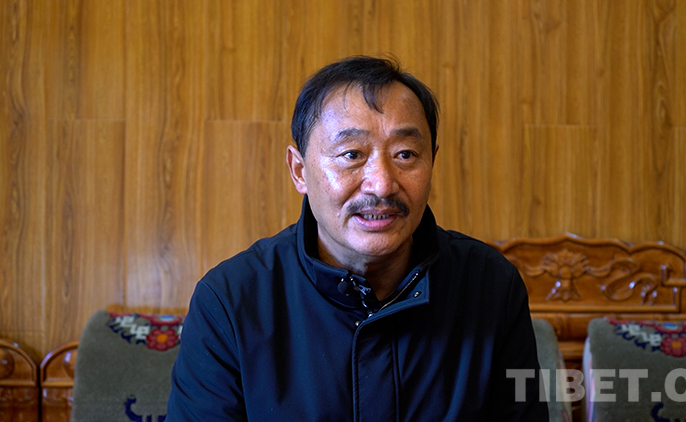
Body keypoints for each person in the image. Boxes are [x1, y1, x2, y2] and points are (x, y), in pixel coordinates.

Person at [166, 56, 547, 421]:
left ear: (432, 161)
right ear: (299, 170)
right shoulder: (230, 301)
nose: (381, 184)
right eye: (351, 154)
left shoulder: (490, 286)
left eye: (405, 154)